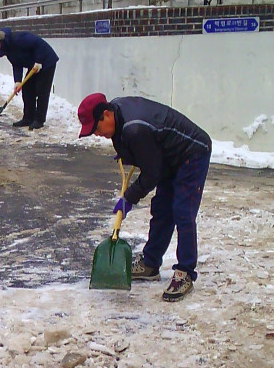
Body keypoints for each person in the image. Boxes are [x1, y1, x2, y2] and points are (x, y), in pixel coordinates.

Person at [77, 92, 212, 302]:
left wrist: (129, 197)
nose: (96, 133)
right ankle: (150, 264)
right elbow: (146, 150)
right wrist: (129, 152)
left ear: (106, 114)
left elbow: (152, 174)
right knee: (161, 210)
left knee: (182, 212)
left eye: (96, 128)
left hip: (192, 152)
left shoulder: (135, 129)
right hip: (169, 155)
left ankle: (185, 272)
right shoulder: (118, 112)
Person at [0, 28, 59, 129]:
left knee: (41, 90)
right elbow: (16, 65)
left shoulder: (18, 39)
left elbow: (38, 44)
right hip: (33, 66)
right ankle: (28, 118)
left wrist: (39, 61)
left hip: (46, 61)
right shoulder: (8, 50)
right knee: (27, 89)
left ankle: (39, 120)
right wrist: (17, 81)